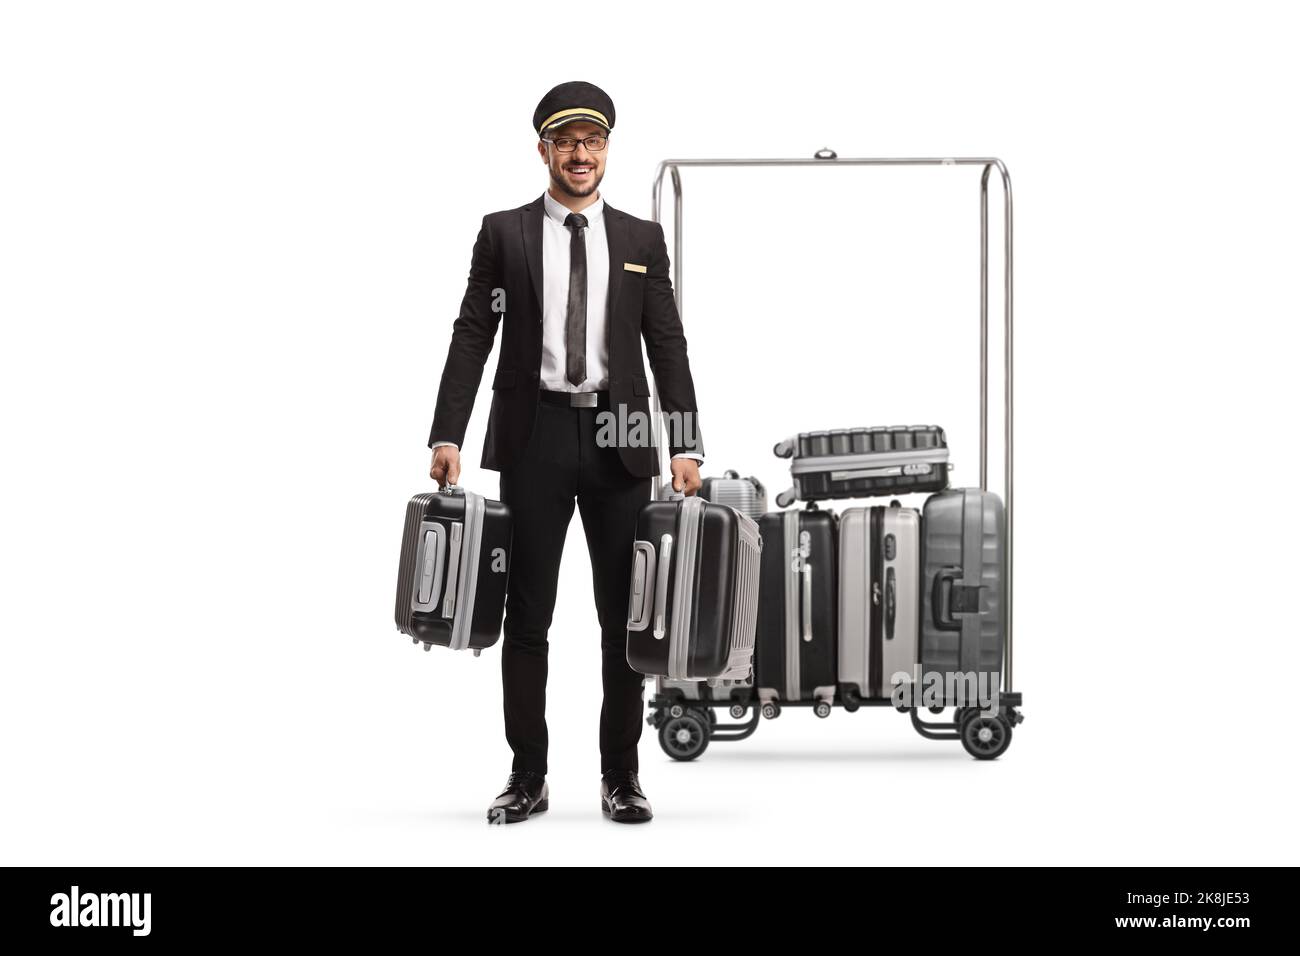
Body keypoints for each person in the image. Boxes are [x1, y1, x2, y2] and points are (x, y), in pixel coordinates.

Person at [426, 81, 705, 824]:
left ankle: (622, 778)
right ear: (544, 149)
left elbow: (666, 343)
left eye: (594, 141)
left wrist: (686, 442)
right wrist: (447, 433)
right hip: (535, 436)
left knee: (627, 619)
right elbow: (471, 334)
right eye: (567, 141)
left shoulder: (642, 241)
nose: (582, 155)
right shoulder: (504, 233)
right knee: (527, 617)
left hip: (623, 439)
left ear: (607, 149)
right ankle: (528, 775)